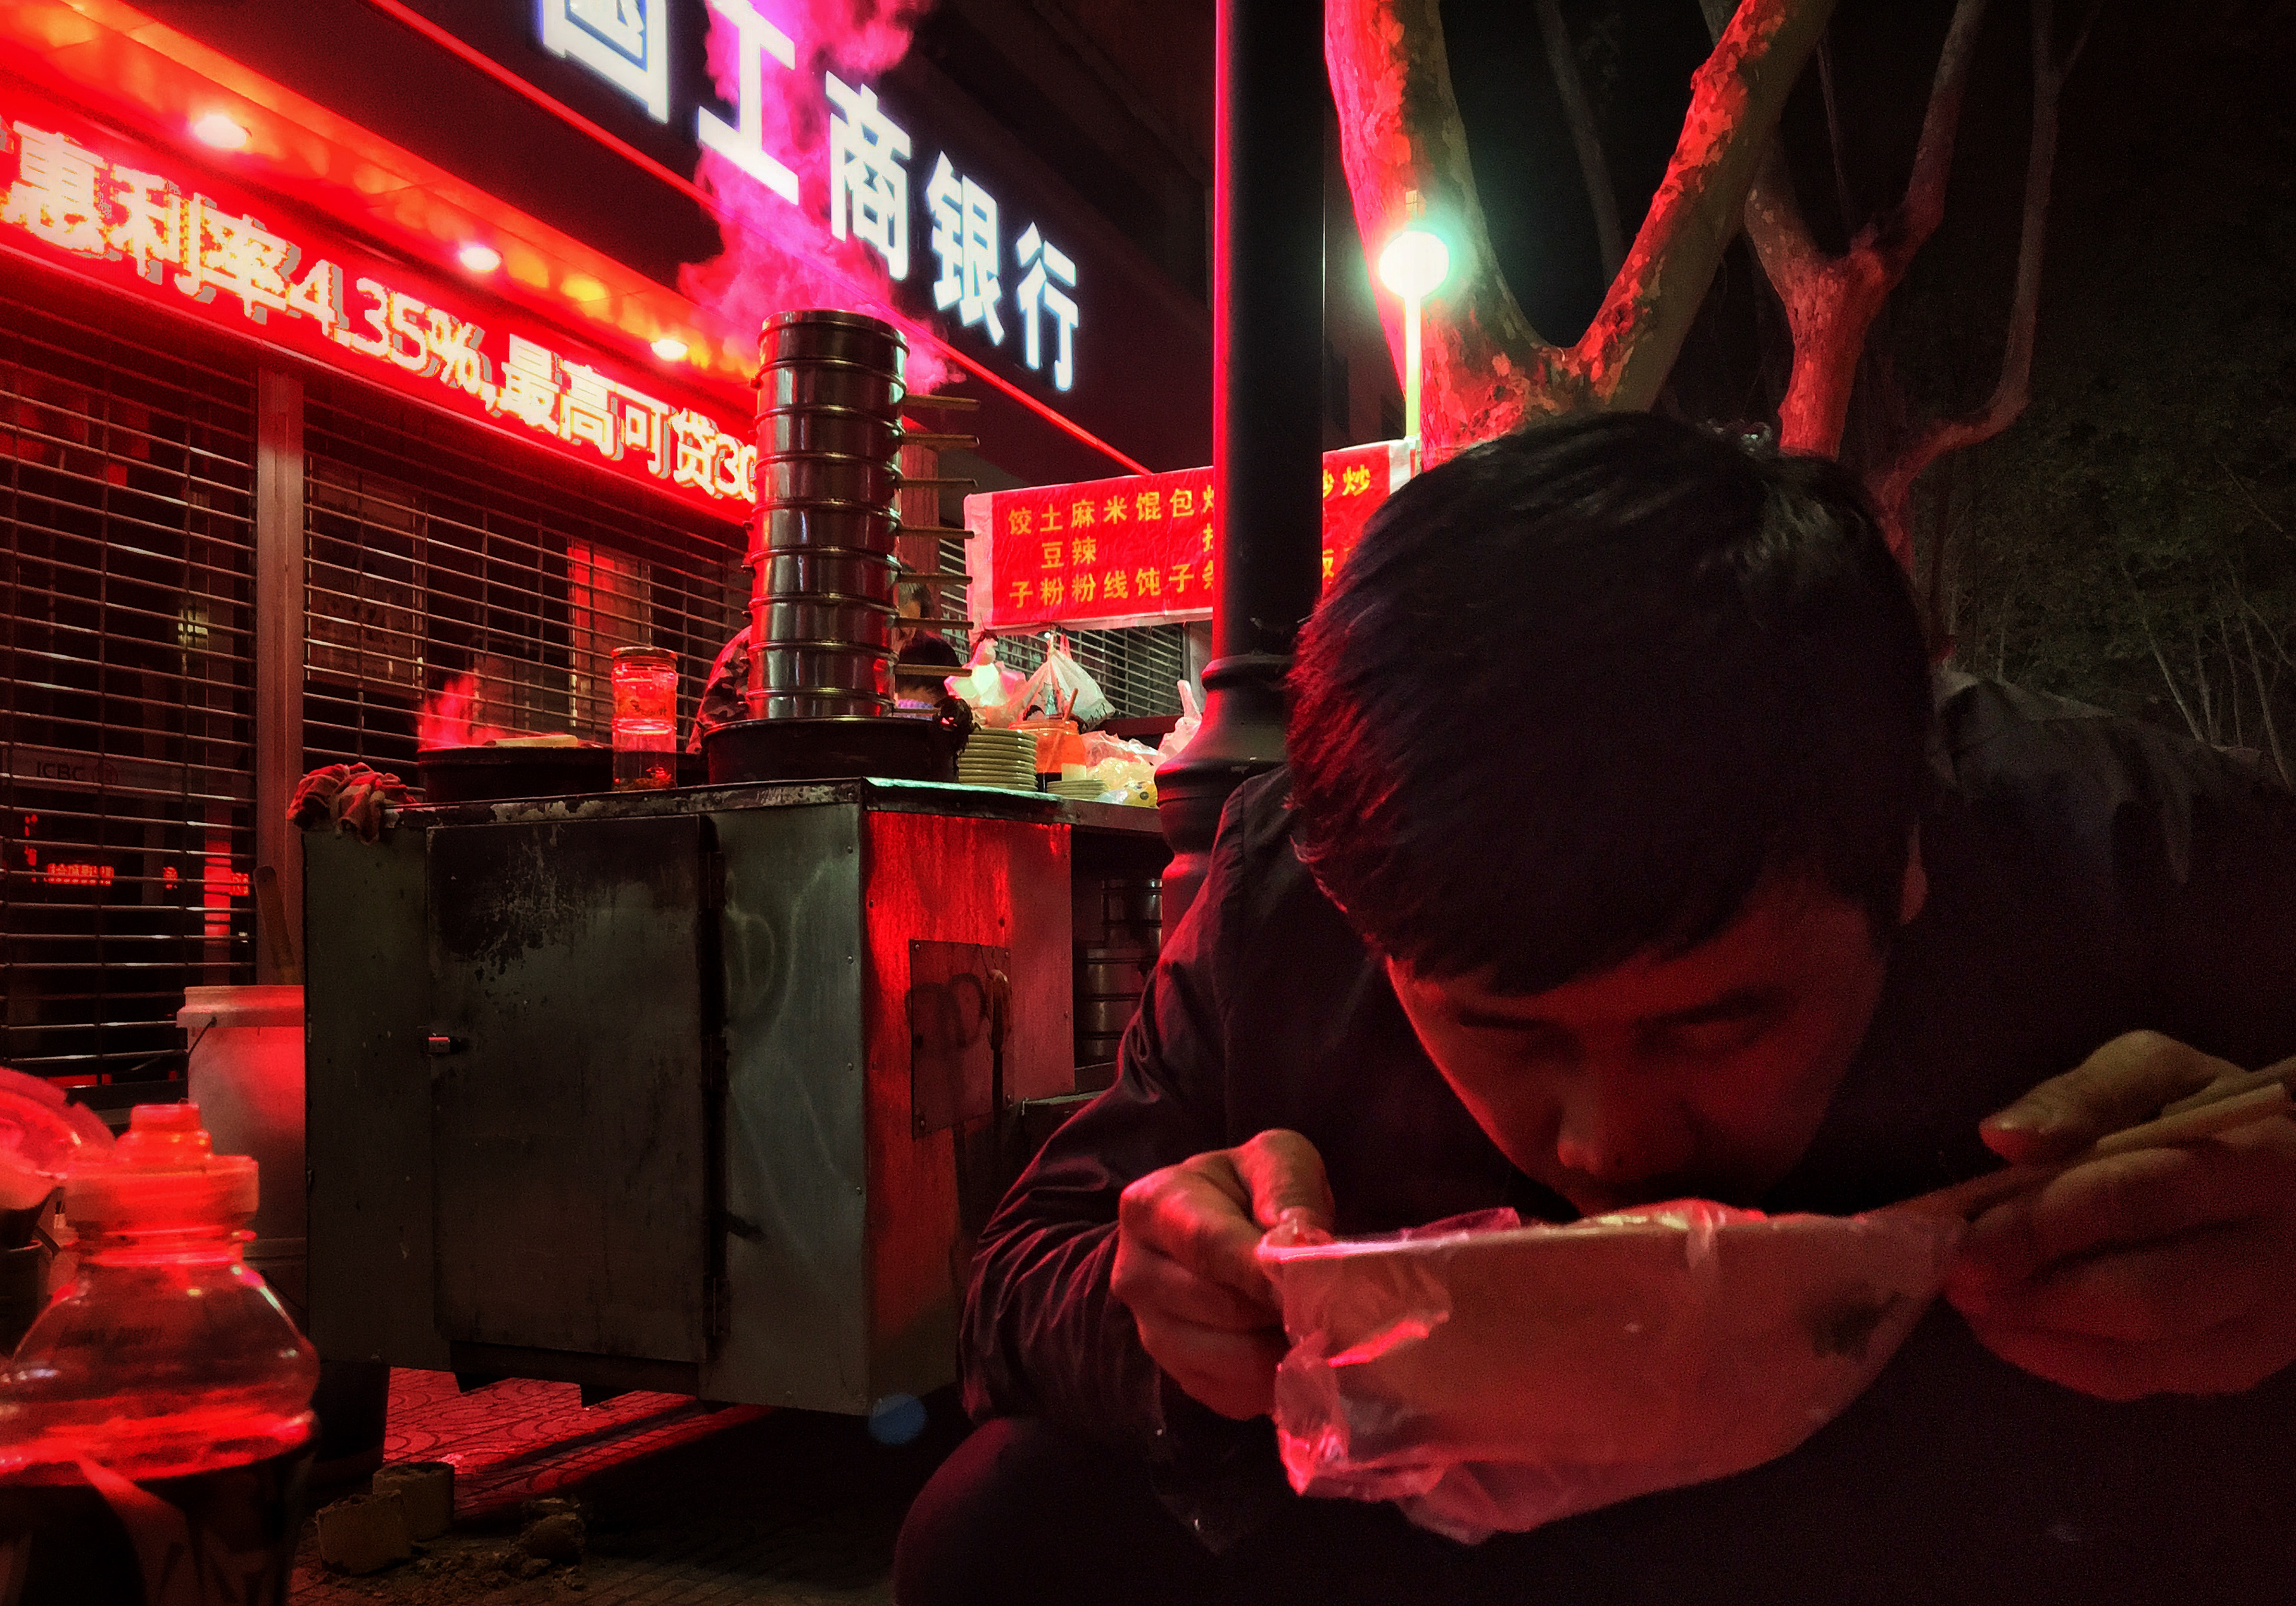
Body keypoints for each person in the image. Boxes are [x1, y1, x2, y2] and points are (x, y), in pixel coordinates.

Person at [892, 414, 2296, 1606]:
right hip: (1441, 1539)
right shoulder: (1295, 884)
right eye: (1505, 1032)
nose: (1609, 1146)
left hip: (1961, 1525)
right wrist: (1169, 1315)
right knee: (995, 1519)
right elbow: (1021, 1272)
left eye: (1717, 1024)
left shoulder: (2113, 853)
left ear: (1910, 858)